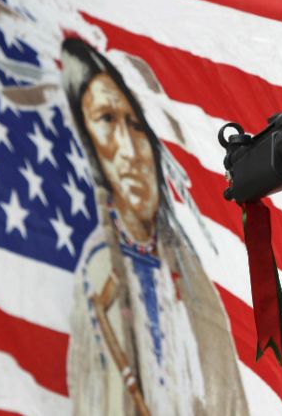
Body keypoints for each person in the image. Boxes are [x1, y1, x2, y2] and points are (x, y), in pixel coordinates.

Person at [61, 38, 248, 416]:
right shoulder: (98, 272)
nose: (128, 150)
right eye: (106, 121)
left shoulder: (193, 277)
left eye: (136, 125)